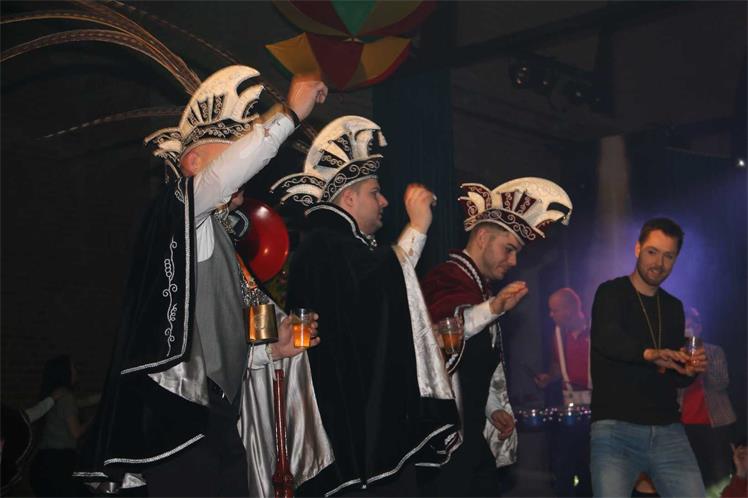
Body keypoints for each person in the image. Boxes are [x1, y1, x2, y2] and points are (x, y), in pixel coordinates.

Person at [75, 66, 327, 496]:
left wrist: (270, 351)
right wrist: (287, 114)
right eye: (230, 150)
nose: (241, 164)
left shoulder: (220, 239)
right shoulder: (182, 212)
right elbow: (219, 178)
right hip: (178, 420)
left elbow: (214, 340)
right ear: (192, 163)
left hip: (217, 423)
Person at [271, 115, 460, 496]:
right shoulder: (326, 244)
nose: (385, 201)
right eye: (376, 192)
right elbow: (378, 287)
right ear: (349, 199)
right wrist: (418, 226)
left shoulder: (337, 247)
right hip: (347, 432)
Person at [419, 178, 573, 496]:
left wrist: (492, 408)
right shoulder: (444, 278)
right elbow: (442, 337)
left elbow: (469, 364)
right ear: (483, 237)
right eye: (509, 249)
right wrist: (493, 308)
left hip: (471, 439)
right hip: (445, 441)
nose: (514, 261)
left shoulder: (480, 289)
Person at [589, 217, 708, 497]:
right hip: (616, 429)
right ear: (637, 249)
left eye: (669, 256)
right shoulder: (611, 292)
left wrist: (687, 371)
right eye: (652, 252)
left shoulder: (673, 307)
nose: (659, 263)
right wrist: (649, 354)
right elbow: (607, 339)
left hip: (668, 430)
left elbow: (671, 375)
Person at [534, 287, 592, 497]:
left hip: (595, 409)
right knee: (564, 465)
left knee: (590, 465)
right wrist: (549, 377)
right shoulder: (558, 334)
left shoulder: (596, 332)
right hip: (569, 411)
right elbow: (559, 366)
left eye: (555, 310)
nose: (551, 315)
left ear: (569, 309)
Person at [678, 306, 737, 489]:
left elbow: (721, 383)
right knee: (687, 476)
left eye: (691, 326)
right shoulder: (674, 353)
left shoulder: (714, 351)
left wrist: (702, 364)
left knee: (719, 476)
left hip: (714, 423)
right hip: (682, 424)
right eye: (684, 327)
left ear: (699, 328)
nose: (688, 331)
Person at [29, 355, 90, 497]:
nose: (76, 371)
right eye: (73, 368)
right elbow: (76, 432)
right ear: (65, 372)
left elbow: (82, 402)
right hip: (60, 464)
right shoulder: (66, 397)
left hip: (43, 463)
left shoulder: (53, 395)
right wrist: (94, 420)